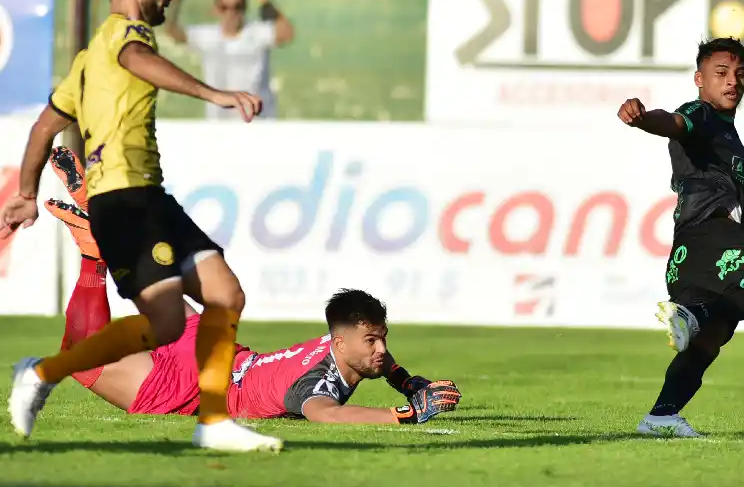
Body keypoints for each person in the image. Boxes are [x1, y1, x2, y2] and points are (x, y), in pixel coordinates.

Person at [0, 0, 280, 452]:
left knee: (225, 295)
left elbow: (43, 128)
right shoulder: (126, 39)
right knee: (168, 323)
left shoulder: (88, 61)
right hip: (124, 202)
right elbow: (137, 58)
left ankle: (214, 423)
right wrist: (214, 93)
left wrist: (25, 193)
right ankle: (42, 372)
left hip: (150, 196)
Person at [45, 147, 462, 425]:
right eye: (373, 340)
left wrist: (409, 382)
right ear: (339, 342)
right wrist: (404, 413)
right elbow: (325, 414)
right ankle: (92, 255)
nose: (382, 350)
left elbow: (381, 362)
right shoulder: (319, 382)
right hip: (195, 388)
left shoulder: (344, 345)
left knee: (154, 283)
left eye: (381, 340)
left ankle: (99, 211)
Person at [617, 37, 744, 438]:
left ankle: (660, 416)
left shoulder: (727, 138)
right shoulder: (701, 114)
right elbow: (673, 122)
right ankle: (697, 316)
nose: (733, 81)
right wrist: (643, 119)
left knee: (709, 341)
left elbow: (734, 206)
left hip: (688, 254)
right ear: (700, 79)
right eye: (722, 73)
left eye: (739, 73)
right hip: (715, 237)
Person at [162, 0, 294, 121]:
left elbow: (287, 33)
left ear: (245, 8)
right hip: (219, 128)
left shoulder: (257, 33)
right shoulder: (207, 36)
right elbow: (172, 30)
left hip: (258, 127)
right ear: (216, 9)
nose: (231, 13)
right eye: (225, 7)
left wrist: (265, 1)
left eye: (237, 7)